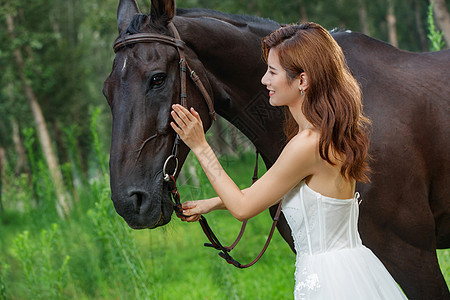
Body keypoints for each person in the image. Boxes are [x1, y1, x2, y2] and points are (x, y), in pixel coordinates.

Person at [170, 22, 407, 299]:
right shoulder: (328, 133)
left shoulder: (306, 145)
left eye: (272, 72)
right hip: (352, 271)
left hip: (330, 283)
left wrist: (201, 146)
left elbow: (244, 208)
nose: (264, 80)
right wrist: (211, 203)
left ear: (302, 81)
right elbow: (272, 191)